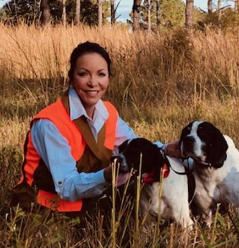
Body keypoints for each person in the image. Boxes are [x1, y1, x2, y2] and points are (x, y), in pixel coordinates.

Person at [10, 41, 181, 217]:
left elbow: (134, 147)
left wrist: (165, 149)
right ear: (71, 77)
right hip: (44, 211)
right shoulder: (49, 123)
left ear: (108, 78)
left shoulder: (108, 113)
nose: (93, 83)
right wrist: (107, 176)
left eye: (101, 74)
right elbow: (66, 188)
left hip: (89, 203)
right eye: (83, 74)